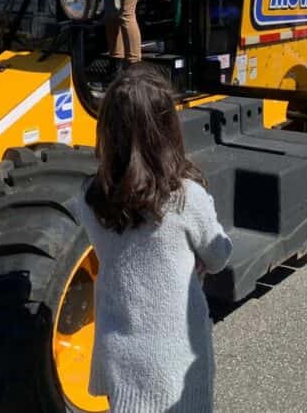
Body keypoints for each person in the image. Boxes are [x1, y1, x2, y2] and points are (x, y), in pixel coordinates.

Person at [80, 64, 232, 411]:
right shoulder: (187, 197)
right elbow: (218, 256)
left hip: (118, 351)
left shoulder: (89, 196)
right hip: (173, 359)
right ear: (166, 130)